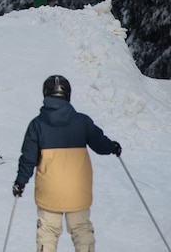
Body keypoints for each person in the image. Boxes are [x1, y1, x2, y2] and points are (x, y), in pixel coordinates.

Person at [12, 75, 121, 252]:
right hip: (77, 188)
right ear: (68, 95)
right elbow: (100, 144)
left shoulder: (37, 125)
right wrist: (112, 147)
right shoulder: (82, 122)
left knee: (48, 231)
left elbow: (28, 158)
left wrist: (20, 181)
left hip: (50, 190)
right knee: (81, 229)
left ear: (45, 94)